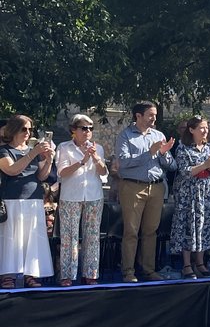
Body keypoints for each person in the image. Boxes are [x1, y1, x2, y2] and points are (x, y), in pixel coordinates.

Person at [116, 101, 176, 283]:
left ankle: (148, 270)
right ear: (138, 116)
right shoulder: (125, 136)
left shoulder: (158, 135)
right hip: (133, 186)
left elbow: (172, 166)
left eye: (155, 115)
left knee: (151, 231)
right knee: (131, 231)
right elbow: (123, 162)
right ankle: (128, 271)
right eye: (150, 115)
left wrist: (164, 154)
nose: (154, 118)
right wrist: (149, 153)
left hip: (156, 187)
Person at [169, 116, 210, 279]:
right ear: (191, 130)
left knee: (203, 225)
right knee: (189, 225)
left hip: (207, 192)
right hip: (189, 194)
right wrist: (206, 166)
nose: (205, 130)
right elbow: (185, 171)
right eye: (201, 128)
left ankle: (200, 262)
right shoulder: (183, 148)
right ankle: (187, 264)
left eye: (206, 128)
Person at [0, 115, 54, 288]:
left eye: (30, 129)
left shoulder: (31, 152)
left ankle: (31, 274)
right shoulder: (4, 150)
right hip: (12, 199)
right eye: (24, 129)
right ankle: (7, 275)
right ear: (14, 129)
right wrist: (33, 153)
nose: (28, 132)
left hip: (34, 199)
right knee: (11, 238)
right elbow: (11, 170)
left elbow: (41, 176)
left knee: (32, 238)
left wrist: (49, 160)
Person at [55, 114, 108, 286]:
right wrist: (82, 161)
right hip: (71, 196)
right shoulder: (64, 147)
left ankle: (90, 273)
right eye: (84, 128)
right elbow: (62, 173)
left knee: (92, 236)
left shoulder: (97, 148)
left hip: (94, 195)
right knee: (69, 237)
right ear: (74, 130)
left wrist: (95, 158)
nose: (88, 132)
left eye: (91, 128)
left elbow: (103, 172)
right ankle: (67, 275)